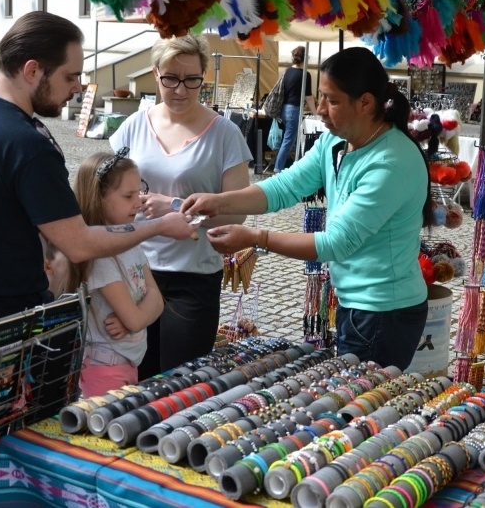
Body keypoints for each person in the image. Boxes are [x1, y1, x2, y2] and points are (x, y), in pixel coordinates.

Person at [0, 11, 195, 340]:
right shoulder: (29, 144)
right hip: (1, 318)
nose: (77, 87)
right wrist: (157, 226)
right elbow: (79, 244)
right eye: (70, 77)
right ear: (32, 70)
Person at [184, 47, 434, 371]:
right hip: (357, 304)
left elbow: (334, 243)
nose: (319, 110)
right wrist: (220, 201)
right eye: (321, 98)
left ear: (365, 103)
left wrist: (254, 237)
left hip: (385, 312)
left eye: (332, 100)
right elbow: (286, 186)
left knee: (359, 407)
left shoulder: (391, 162)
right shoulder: (336, 141)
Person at [108, 34, 252, 378]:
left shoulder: (225, 134)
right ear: (155, 74)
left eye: (192, 80)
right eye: (170, 78)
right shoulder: (133, 126)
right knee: (133, 380)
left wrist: (175, 207)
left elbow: (237, 211)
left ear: (205, 77)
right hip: (134, 272)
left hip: (192, 277)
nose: (181, 90)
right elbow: (107, 195)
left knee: (178, 382)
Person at [64, 152, 163, 396]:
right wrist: (136, 317)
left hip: (126, 363)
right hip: (104, 369)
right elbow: (136, 319)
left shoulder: (131, 243)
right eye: (128, 196)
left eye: (139, 192)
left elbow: (158, 300)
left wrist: (135, 316)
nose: (138, 202)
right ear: (98, 199)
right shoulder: (101, 256)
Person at [274, 46, 317, 174]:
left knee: (288, 140)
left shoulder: (287, 71)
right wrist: (316, 113)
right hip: (294, 110)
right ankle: (278, 168)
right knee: (289, 140)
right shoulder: (305, 74)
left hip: (284, 108)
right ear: (306, 58)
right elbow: (309, 98)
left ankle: (289, 165)